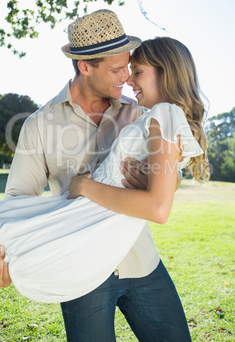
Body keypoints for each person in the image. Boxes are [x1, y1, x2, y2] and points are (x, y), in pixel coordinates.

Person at [0, 17, 209, 341]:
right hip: (81, 270)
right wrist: (8, 253)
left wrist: (160, 181)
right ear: (85, 66)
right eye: (117, 71)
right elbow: (18, 200)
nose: (127, 78)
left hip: (141, 261)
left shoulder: (142, 110)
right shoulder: (39, 125)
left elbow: (164, 182)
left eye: (130, 68)